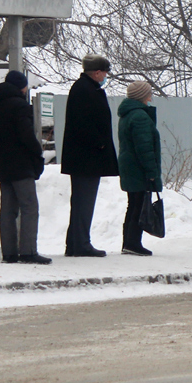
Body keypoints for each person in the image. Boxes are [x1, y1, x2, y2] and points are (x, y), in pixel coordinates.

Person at [0, 70, 50, 265]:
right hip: (22, 164)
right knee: (29, 206)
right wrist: (37, 153)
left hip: (4, 163)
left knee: (7, 209)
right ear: (21, 86)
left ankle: (9, 253)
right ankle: (29, 251)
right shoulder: (20, 106)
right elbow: (26, 135)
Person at [62, 54, 118, 257]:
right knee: (84, 202)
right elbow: (85, 124)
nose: (105, 76)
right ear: (97, 72)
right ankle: (81, 244)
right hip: (87, 158)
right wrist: (100, 143)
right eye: (104, 73)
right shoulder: (86, 90)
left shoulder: (83, 88)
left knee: (80, 202)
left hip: (83, 157)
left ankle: (76, 243)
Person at [117, 80, 161, 256]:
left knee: (133, 205)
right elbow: (145, 148)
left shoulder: (127, 114)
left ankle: (129, 242)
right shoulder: (140, 117)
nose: (151, 96)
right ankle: (133, 243)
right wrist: (152, 172)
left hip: (130, 167)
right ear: (142, 96)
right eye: (148, 93)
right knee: (139, 206)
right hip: (138, 169)